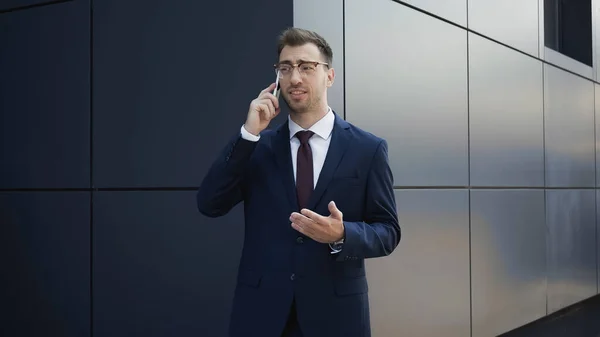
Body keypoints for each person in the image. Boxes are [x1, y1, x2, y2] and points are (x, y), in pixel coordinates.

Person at [197, 27, 401, 337]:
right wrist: (248, 134)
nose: (295, 77)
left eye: (307, 67)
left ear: (329, 76)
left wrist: (343, 233)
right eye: (286, 68)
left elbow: (388, 232)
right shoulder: (257, 147)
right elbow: (209, 203)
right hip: (261, 316)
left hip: (336, 317)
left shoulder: (367, 149)